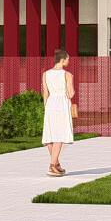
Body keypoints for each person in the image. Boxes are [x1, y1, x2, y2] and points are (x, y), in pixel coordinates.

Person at [41, 48, 76, 177]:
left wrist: (47, 107)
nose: (68, 61)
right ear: (62, 59)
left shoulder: (46, 74)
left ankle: (56, 164)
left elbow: (45, 93)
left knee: (50, 135)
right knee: (59, 135)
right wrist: (69, 92)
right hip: (61, 103)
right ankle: (52, 164)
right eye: (67, 59)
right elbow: (71, 93)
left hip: (50, 104)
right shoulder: (67, 75)